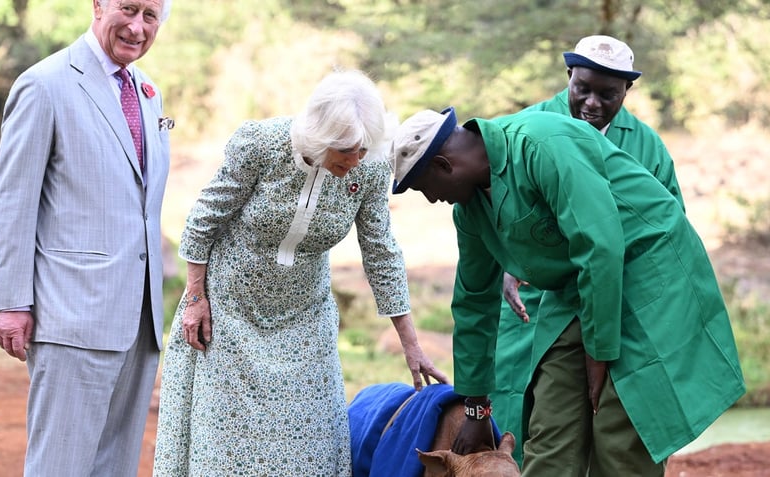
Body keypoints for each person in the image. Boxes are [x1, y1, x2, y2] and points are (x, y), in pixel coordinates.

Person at [389, 106, 745, 476]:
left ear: (444, 166)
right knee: (551, 431)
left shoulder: (541, 143)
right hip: (574, 291)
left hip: (643, 275)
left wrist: (599, 350)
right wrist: (477, 408)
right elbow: (474, 301)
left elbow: (601, 246)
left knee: (620, 430)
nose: (431, 200)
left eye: (424, 188)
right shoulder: (470, 210)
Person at [152, 69, 449, 476]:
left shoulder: (368, 168)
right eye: (345, 149)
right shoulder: (262, 145)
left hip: (304, 319)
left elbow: (380, 251)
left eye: (363, 149)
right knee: (226, 446)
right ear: (320, 135)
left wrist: (411, 342)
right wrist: (197, 298)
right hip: (229, 313)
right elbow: (205, 219)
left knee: (310, 446)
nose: (354, 160)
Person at [0, 0, 172, 475]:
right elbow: (14, 202)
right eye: (128, 9)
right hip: (71, 315)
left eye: (150, 16)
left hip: (138, 319)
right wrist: (9, 301)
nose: (137, 26)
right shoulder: (44, 85)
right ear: (98, 5)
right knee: (61, 465)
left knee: (114, 466)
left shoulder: (148, 93)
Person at [492, 34, 686, 466]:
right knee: (537, 424)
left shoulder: (647, 146)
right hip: (541, 304)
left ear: (627, 91)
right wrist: (511, 259)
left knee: (623, 430)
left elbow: (669, 232)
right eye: (583, 88)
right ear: (568, 77)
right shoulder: (530, 128)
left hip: (622, 303)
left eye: (608, 93)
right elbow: (497, 209)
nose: (593, 103)